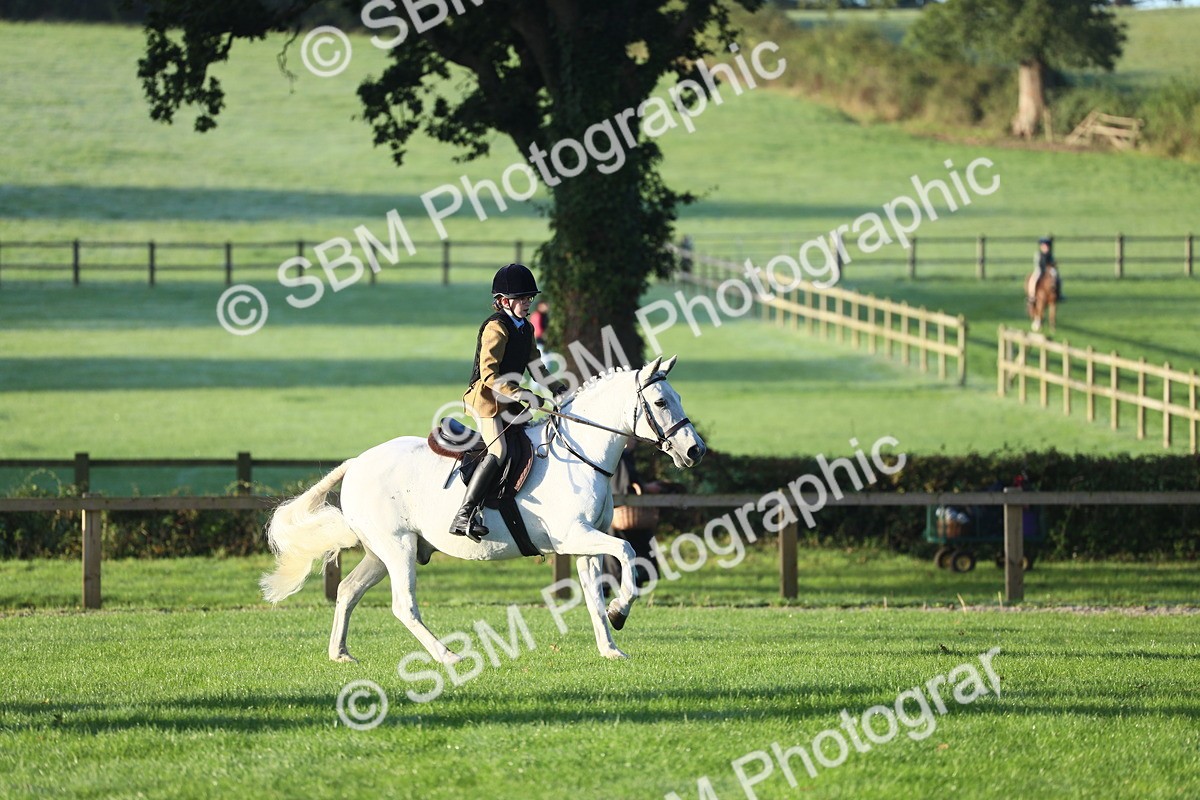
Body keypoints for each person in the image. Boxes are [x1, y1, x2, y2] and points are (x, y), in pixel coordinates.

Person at [454, 263, 564, 540]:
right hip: (485, 399)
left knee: (527, 440)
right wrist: (524, 395)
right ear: (504, 302)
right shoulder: (496, 328)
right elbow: (490, 376)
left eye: (530, 298)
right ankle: (464, 513)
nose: (528, 302)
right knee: (499, 450)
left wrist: (560, 390)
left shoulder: (525, 328)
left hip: (509, 400)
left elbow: (537, 368)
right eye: (523, 298)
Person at [1033, 237, 1064, 302]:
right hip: (1040, 269)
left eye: (1046, 246)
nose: (1045, 248)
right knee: (1033, 280)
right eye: (1043, 246)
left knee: (1057, 277)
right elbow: (1038, 264)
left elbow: (1053, 263)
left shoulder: (1050, 255)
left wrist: (1053, 266)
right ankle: (1032, 295)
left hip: (1049, 270)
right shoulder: (1038, 254)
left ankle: (1058, 293)